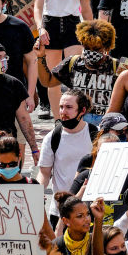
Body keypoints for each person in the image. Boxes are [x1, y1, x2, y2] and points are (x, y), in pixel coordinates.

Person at [33, 0, 93, 117]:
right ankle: (58, 119)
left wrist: (93, 32)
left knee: (76, 74)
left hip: (72, 25)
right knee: (54, 79)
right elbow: (37, 6)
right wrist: (40, 28)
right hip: (50, 24)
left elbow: (87, 8)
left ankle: (76, 115)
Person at [37, 89, 95, 224]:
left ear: (82, 110)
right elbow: (44, 173)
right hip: (60, 212)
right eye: (61, 107)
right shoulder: (52, 137)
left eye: (69, 107)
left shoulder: (95, 135)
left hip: (89, 210)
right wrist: (37, 192)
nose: (63, 112)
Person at [51, 19, 121, 124]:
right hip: (80, 118)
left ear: (106, 47)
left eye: (96, 48)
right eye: (87, 47)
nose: (91, 52)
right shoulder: (73, 62)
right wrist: (40, 57)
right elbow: (48, 81)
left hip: (106, 118)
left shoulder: (118, 66)